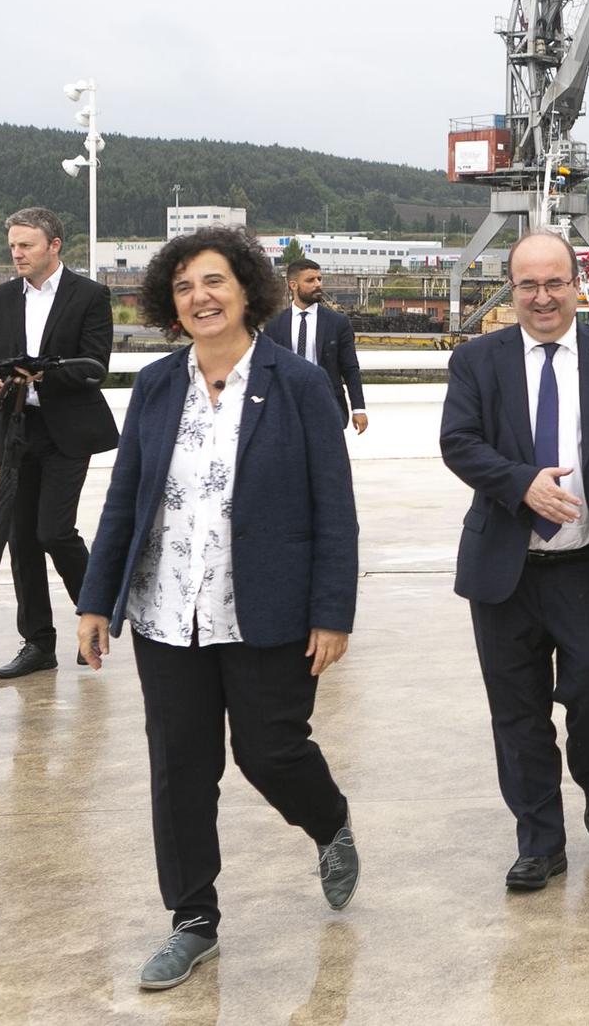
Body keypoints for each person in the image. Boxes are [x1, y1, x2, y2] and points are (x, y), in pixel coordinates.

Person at [76, 225, 361, 991]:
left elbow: (334, 506)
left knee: (269, 750)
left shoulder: (297, 383)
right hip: (168, 610)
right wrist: (96, 600)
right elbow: (126, 499)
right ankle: (192, 920)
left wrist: (333, 612)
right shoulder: (157, 384)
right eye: (183, 287)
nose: (199, 297)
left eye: (214, 282)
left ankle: (329, 822)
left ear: (247, 290)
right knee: (179, 767)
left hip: (267, 608)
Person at [440, 232, 589, 892]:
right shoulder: (479, 360)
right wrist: (520, 482)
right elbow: (457, 441)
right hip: (504, 570)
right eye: (528, 285)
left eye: (555, 283)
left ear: (578, 285)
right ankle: (540, 841)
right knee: (517, 715)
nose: (542, 297)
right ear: (511, 290)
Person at [0, 207, 119, 680]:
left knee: (53, 532)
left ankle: (95, 617)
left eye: (26, 245)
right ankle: (38, 643)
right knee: (20, 538)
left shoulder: (91, 296)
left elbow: (95, 365)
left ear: (54, 245)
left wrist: (45, 371)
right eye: (13, 245)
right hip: (16, 430)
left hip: (67, 429)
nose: (17, 253)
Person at [262, 258, 369, 434]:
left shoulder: (338, 322)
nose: (318, 284)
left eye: (319, 279)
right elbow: (267, 370)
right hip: (288, 405)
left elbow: (350, 368)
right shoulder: (275, 325)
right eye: (310, 280)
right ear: (293, 285)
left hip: (327, 403)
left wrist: (358, 408)